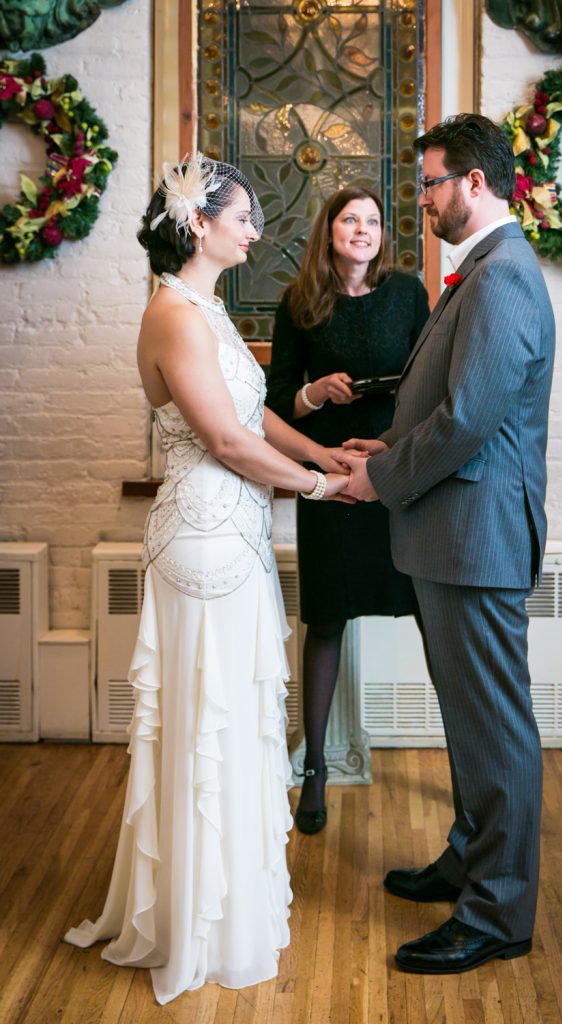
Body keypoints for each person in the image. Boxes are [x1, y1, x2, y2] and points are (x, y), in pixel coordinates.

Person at [64, 155, 352, 1004]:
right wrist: (323, 487)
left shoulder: (208, 310)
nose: (256, 231)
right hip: (200, 537)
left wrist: (315, 448)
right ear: (200, 224)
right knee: (206, 718)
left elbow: (250, 412)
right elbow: (223, 444)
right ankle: (194, 918)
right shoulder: (172, 315)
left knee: (236, 712)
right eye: (244, 219)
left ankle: (229, 904)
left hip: (237, 535)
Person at [342, 114, 555, 973]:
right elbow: (457, 404)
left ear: (474, 183)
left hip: (477, 540)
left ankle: (499, 913)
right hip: (453, 537)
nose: (421, 199)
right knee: (471, 724)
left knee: (496, 730)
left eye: (430, 182)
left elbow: (470, 420)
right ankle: (472, 857)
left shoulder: (502, 277)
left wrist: (380, 480)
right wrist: (391, 448)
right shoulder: (483, 273)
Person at [266, 186, 430, 834]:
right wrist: (314, 392)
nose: (362, 230)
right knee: (327, 618)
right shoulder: (299, 301)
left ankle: (467, 763)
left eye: (373, 221)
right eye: (349, 220)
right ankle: (315, 772)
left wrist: (389, 453)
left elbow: (427, 384)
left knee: (428, 612)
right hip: (329, 475)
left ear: (382, 234)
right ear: (328, 231)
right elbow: (275, 401)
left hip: (392, 473)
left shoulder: (408, 294)